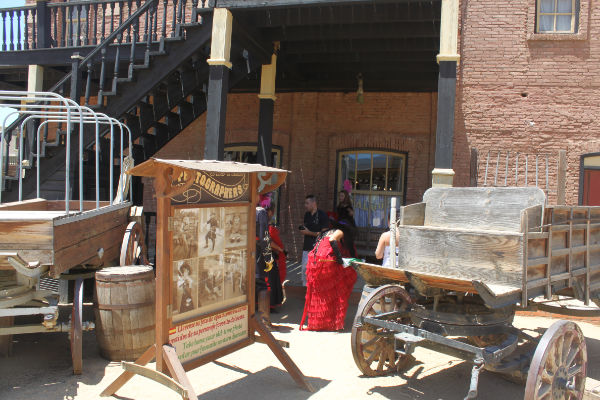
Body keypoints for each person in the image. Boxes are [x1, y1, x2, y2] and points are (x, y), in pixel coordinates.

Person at [300, 217, 358, 331]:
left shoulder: (326, 232)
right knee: (341, 284)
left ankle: (319, 323)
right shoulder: (339, 232)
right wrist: (340, 259)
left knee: (321, 293)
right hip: (325, 262)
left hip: (314, 262)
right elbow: (332, 240)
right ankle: (331, 321)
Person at [300, 195, 329, 286]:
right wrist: (303, 230)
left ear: (314, 203)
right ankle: (306, 292)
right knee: (305, 271)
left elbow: (325, 234)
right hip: (306, 248)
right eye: (305, 203)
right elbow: (306, 228)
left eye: (307, 203)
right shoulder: (307, 215)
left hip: (318, 249)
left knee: (316, 273)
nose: (305, 205)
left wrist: (309, 232)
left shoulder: (322, 215)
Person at [266, 204, 284, 308]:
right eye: (272, 211)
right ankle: (270, 304)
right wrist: (281, 249)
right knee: (270, 280)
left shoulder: (262, 223)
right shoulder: (266, 225)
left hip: (264, 255)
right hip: (267, 256)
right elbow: (268, 241)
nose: (272, 214)